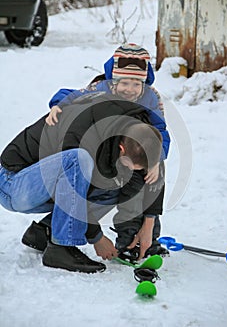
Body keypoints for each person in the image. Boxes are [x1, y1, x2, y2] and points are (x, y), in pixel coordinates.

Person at [22, 43, 170, 261]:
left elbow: (161, 131)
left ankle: (144, 238)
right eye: (124, 82)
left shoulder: (151, 98)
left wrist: (156, 158)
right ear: (114, 80)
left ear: (145, 82)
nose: (130, 89)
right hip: (103, 153)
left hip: (133, 148)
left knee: (147, 174)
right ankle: (50, 229)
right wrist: (57, 104)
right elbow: (72, 95)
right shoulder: (100, 90)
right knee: (107, 187)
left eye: (136, 83)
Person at [0, 91, 163, 273]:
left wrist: (148, 223)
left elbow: (152, 170)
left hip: (50, 185)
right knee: (78, 160)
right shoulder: (87, 132)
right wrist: (97, 237)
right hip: (13, 183)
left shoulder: (139, 128)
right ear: (121, 148)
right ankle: (62, 247)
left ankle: (45, 231)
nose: (133, 171)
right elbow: (74, 188)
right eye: (131, 165)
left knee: (115, 184)